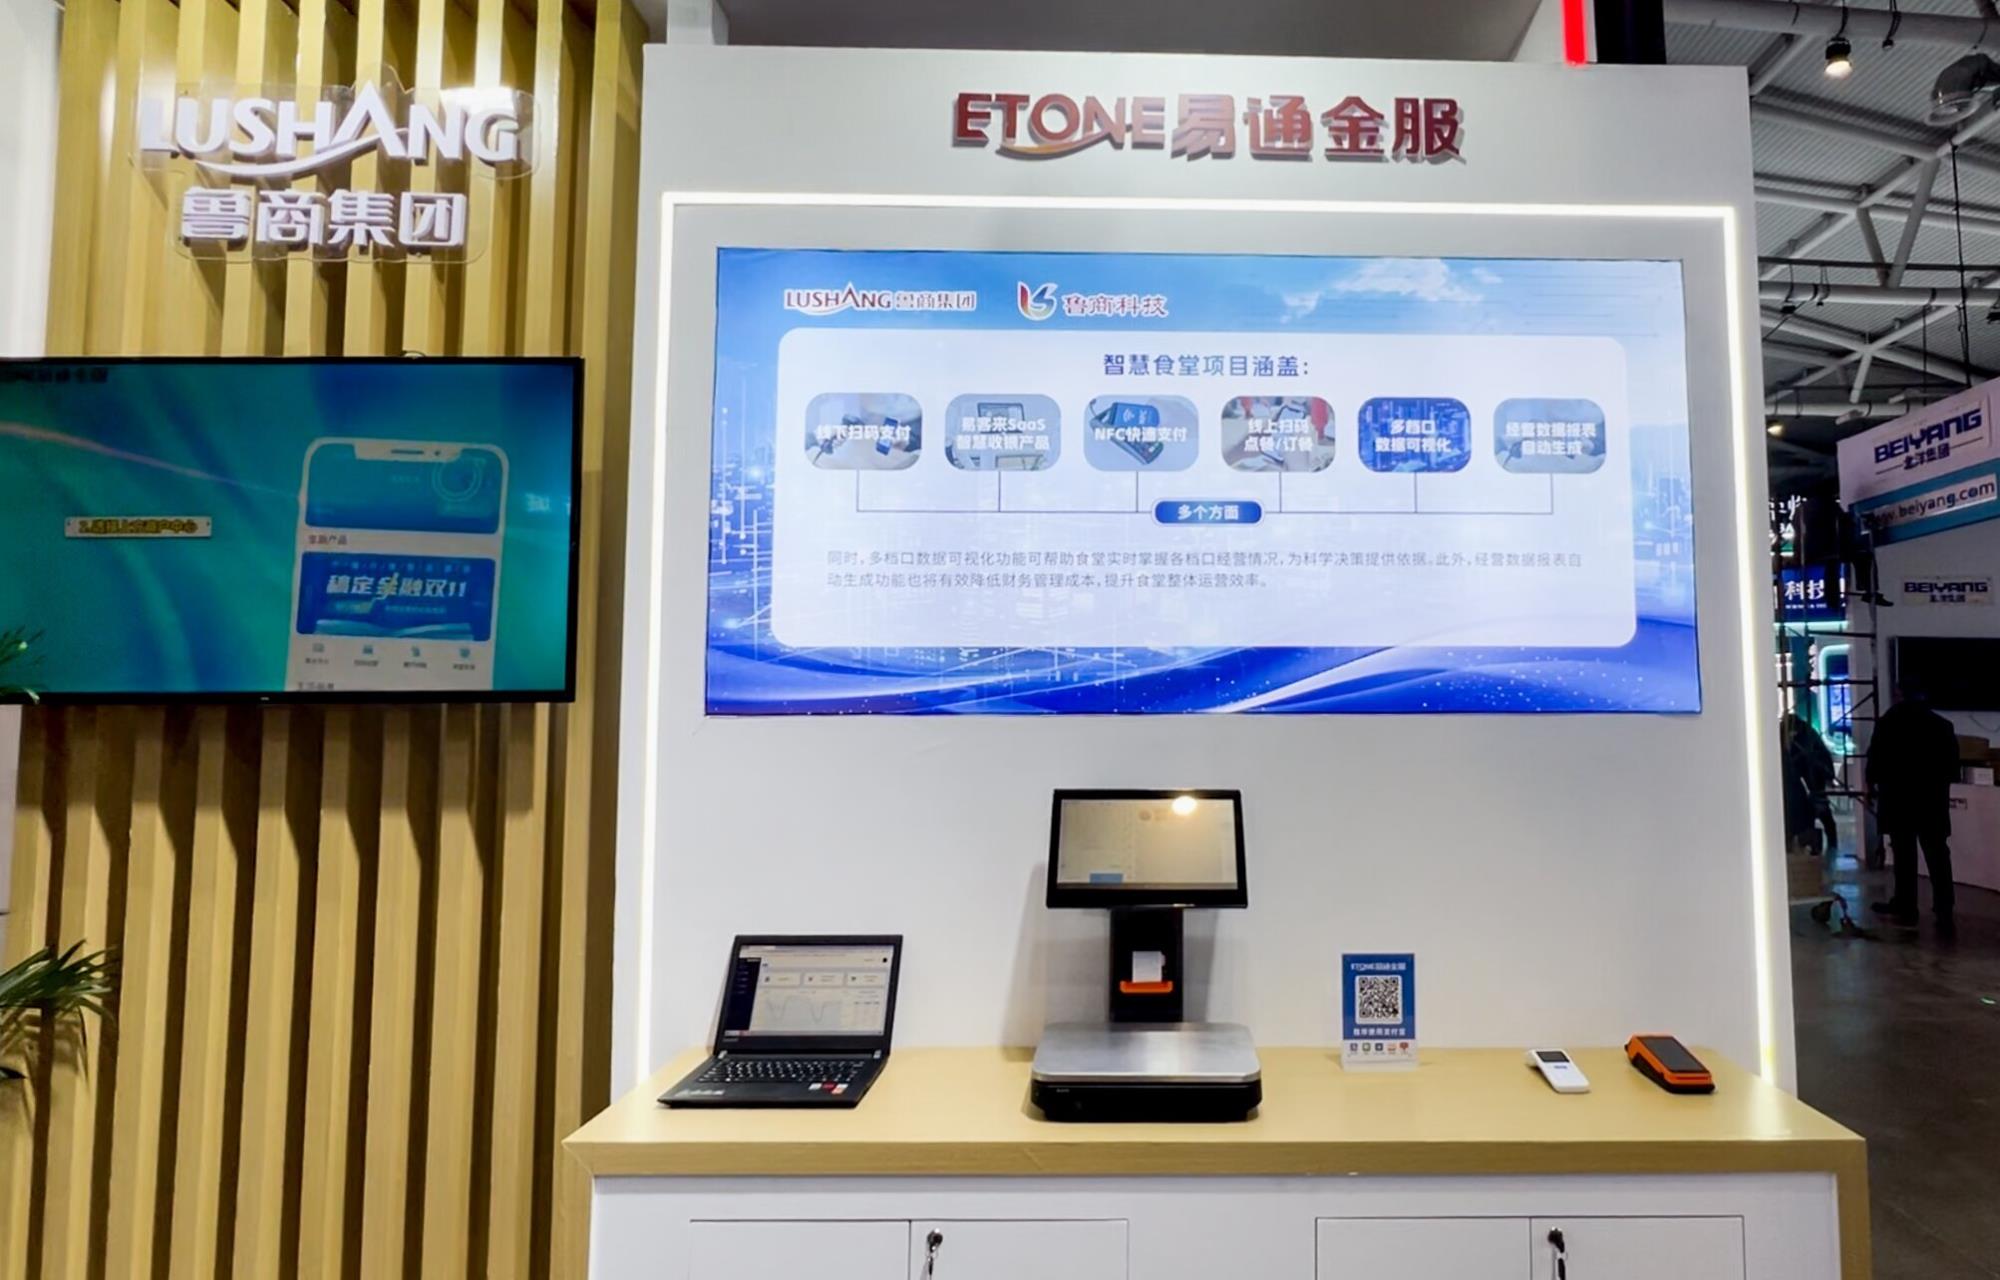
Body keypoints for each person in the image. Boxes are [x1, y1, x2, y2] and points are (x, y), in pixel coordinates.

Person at [1865, 682, 1962, 930]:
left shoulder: (1888, 722)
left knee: (1903, 855)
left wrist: (1872, 786)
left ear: (1899, 695)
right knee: (1938, 854)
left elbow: (1875, 760)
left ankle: (1906, 906)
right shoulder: (1942, 725)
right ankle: (1944, 908)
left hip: (1898, 800)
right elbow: (1953, 769)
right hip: (1932, 801)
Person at [1781, 713, 1838, 855]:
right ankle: (1823, 840)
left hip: (1811, 774)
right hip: (1806, 774)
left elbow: (1816, 755)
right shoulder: (1806, 732)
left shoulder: (1804, 734)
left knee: (1817, 806)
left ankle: (1822, 840)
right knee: (1815, 808)